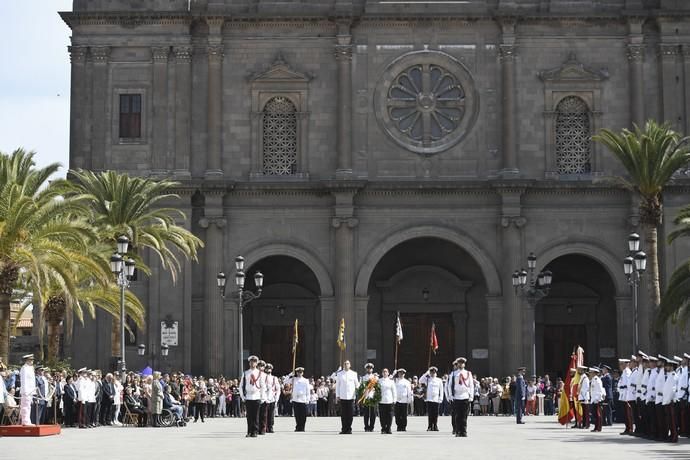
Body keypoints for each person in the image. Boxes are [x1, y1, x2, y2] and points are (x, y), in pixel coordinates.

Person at [449, 357, 474, 437]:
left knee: (464, 415)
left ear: (464, 364)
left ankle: (464, 431)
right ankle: (458, 431)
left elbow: (471, 385)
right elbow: (450, 385)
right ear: (457, 364)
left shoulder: (468, 373)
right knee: (457, 415)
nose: (461, 364)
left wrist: (471, 396)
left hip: (465, 396)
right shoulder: (453, 373)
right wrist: (450, 395)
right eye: (459, 363)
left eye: (462, 363)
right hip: (456, 396)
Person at [240, 355, 263, 437]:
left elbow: (262, 386)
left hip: (256, 396)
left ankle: (255, 431)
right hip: (248, 396)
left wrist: (262, 397)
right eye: (251, 362)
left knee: (256, 415)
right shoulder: (246, 373)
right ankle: (249, 431)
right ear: (249, 363)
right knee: (249, 416)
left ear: (256, 363)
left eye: (254, 362)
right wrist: (243, 396)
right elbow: (241, 385)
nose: (252, 363)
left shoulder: (260, 373)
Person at [335, 360, 358, 434]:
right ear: (343, 365)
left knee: (350, 414)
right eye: (345, 364)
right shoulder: (339, 374)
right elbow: (337, 386)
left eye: (347, 364)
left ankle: (349, 428)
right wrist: (337, 395)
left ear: (350, 365)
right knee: (343, 414)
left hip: (351, 396)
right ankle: (344, 429)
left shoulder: (354, 374)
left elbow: (357, 385)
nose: (346, 365)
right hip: (343, 396)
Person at [285, 367, 310, 432]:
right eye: (298, 372)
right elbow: (285, 381)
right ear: (296, 373)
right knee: (297, 414)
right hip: (295, 399)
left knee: (303, 415)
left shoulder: (305, 380)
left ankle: (302, 427)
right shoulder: (293, 379)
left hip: (303, 399)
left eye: (301, 372)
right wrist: (290, 374)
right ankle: (298, 427)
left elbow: (308, 390)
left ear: (302, 373)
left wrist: (308, 399)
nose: (299, 373)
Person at [419, 366, 443, 431]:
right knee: (430, 413)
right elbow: (420, 380)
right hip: (429, 398)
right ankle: (430, 426)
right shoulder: (427, 379)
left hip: (436, 399)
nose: (433, 373)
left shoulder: (439, 380)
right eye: (431, 372)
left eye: (434, 372)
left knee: (435, 413)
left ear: (436, 373)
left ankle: (435, 426)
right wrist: (425, 374)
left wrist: (441, 398)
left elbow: (441, 389)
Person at [663, 357, 679, 443]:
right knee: (669, 420)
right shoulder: (669, 376)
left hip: (671, 401)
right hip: (668, 401)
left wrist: (668, 400)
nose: (666, 367)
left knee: (673, 421)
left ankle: (675, 436)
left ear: (672, 367)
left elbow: (672, 390)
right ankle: (672, 434)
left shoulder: (673, 376)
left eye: (668, 366)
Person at [377, 368, 395, 434]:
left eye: (386, 372)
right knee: (382, 416)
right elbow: (376, 391)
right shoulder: (379, 381)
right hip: (381, 401)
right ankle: (383, 428)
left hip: (389, 401)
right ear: (382, 373)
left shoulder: (391, 381)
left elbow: (394, 391)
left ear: (388, 373)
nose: (385, 373)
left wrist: (394, 399)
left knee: (390, 416)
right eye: (383, 371)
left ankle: (389, 428)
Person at [19, 354, 36, 426]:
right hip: (26, 391)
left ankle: (27, 420)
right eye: (31, 360)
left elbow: (32, 381)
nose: (32, 361)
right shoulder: (24, 368)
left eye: (32, 360)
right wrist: (25, 391)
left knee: (28, 406)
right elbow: (24, 380)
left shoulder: (30, 368)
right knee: (25, 406)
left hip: (30, 391)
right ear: (27, 360)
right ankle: (25, 421)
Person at [617, 358, 632, 434]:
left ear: (626, 364)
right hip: (623, 394)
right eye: (620, 364)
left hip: (626, 394)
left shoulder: (627, 372)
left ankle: (629, 428)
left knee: (627, 413)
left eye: (622, 364)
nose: (620, 366)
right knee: (625, 413)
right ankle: (627, 427)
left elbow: (628, 385)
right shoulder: (623, 372)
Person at [360, 363, 377, 432]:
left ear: (372, 369)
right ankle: (366, 427)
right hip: (366, 396)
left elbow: (377, 387)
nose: (369, 369)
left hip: (373, 396)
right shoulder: (363, 378)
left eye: (370, 368)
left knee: (373, 413)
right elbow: (361, 387)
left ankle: (372, 427)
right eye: (368, 368)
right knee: (366, 413)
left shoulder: (375, 377)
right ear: (366, 369)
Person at [264, 363, 280, 433]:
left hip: (272, 398)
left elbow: (278, 389)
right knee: (264, 414)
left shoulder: (274, 378)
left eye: (269, 369)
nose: (268, 370)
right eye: (267, 368)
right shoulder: (262, 377)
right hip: (264, 398)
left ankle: (270, 427)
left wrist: (277, 398)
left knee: (271, 414)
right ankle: (264, 427)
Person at [589, 367, 604, 432]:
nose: (590, 373)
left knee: (598, 415)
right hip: (594, 399)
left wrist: (598, 399)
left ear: (594, 373)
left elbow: (600, 390)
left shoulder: (597, 380)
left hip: (597, 399)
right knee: (594, 414)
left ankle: (598, 428)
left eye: (591, 372)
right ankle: (596, 427)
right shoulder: (593, 379)